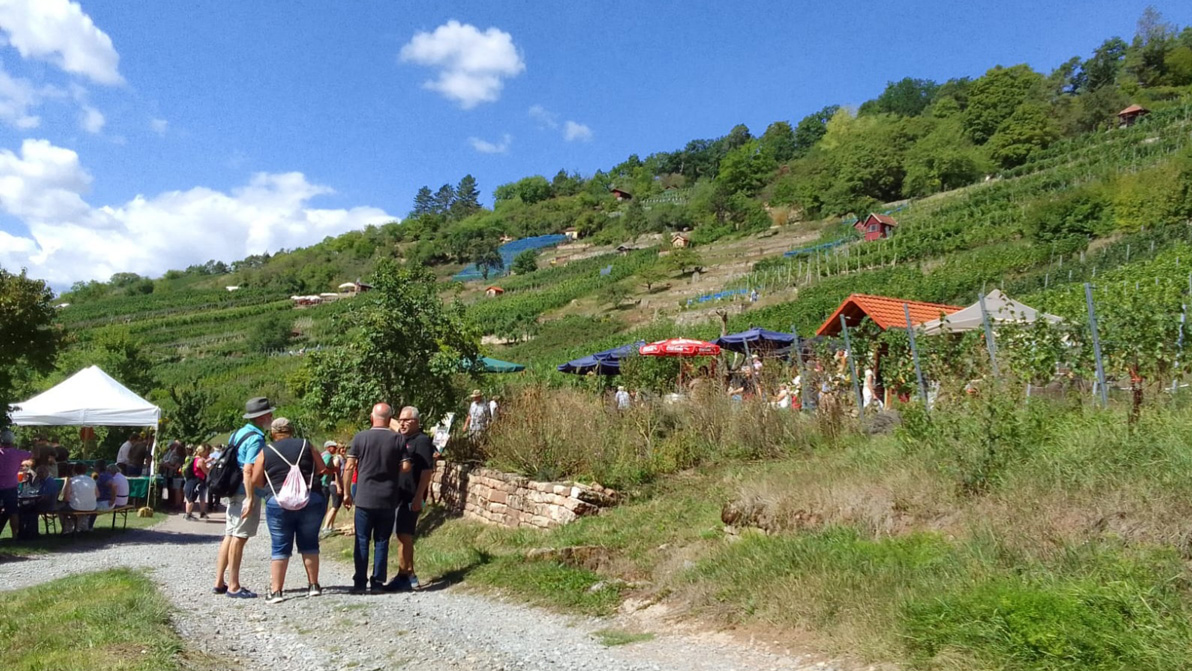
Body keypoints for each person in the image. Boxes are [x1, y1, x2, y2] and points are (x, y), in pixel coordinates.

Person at [251, 417, 329, 603]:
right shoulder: (306, 444)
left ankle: (277, 591)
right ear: (291, 430)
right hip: (310, 499)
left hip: (278, 501)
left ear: (273, 432)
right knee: (310, 543)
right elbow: (322, 468)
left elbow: (256, 480)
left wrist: (270, 487)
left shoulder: (266, 451)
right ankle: (313, 585)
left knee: (279, 545)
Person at [213, 397, 274, 599]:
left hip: (231, 491)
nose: (271, 417)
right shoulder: (256, 438)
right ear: (262, 417)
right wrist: (251, 498)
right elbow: (248, 469)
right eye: (269, 414)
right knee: (239, 538)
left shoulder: (237, 433)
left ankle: (219, 581)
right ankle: (234, 585)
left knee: (229, 535)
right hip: (243, 492)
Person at [342, 403, 403, 594]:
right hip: (388, 498)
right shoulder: (397, 439)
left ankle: (360, 582)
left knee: (361, 539)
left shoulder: (361, 437)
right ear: (390, 419)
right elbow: (406, 467)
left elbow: (350, 466)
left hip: (364, 497)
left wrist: (346, 492)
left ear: (371, 417)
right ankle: (377, 582)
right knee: (382, 540)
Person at [385, 406, 436, 591]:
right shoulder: (401, 439)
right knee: (400, 534)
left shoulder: (421, 441)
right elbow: (388, 421)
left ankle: (406, 574)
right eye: (401, 420)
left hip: (411, 495)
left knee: (404, 534)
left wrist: (418, 497)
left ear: (416, 422)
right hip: (398, 494)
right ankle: (406, 573)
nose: (403, 423)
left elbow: (426, 472)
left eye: (407, 420)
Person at [0, 430, 32, 538]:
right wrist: (37, 444)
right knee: (13, 512)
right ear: (12, 441)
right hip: (11, 487)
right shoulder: (17, 453)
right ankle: (14, 534)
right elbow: (33, 455)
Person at [61, 462, 98, 532]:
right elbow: (98, 494)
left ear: (74, 470)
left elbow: (66, 498)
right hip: (92, 507)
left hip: (76, 507)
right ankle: (83, 526)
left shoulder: (72, 481)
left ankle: (67, 528)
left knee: (61, 509)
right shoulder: (91, 480)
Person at [319, 441, 344, 538]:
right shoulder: (328, 456)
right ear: (329, 447)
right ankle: (323, 528)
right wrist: (334, 470)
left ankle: (326, 527)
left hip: (325, 483)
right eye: (334, 447)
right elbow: (322, 469)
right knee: (324, 506)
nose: (336, 449)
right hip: (324, 483)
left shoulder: (325, 455)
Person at [184, 444, 211, 520]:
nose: (208, 453)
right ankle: (188, 515)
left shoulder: (195, 458)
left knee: (190, 497)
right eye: (206, 451)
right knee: (191, 498)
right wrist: (211, 467)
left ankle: (188, 514)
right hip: (196, 480)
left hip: (192, 480)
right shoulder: (200, 460)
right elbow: (206, 471)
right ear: (202, 452)